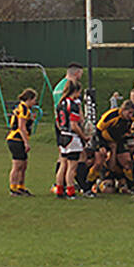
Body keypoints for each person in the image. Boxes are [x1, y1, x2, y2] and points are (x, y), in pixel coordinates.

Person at [49, 63, 84, 192]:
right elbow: (77, 115)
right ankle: (73, 186)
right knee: (74, 161)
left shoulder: (58, 86)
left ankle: (59, 185)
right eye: (80, 73)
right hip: (71, 129)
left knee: (62, 158)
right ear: (76, 73)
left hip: (61, 127)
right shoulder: (72, 92)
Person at [54, 81, 85, 199]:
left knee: (63, 164)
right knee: (72, 167)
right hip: (72, 137)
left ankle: (59, 190)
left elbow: (57, 122)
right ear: (75, 91)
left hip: (62, 135)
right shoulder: (72, 105)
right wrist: (83, 136)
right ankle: (71, 191)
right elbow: (74, 125)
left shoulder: (60, 103)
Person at [6, 88, 38, 196]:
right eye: (34, 100)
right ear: (29, 99)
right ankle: (13, 188)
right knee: (17, 165)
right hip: (16, 139)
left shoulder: (24, 108)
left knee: (23, 164)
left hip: (17, 139)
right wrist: (26, 142)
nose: (35, 103)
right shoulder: (23, 108)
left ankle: (21, 187)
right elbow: (21, 126)